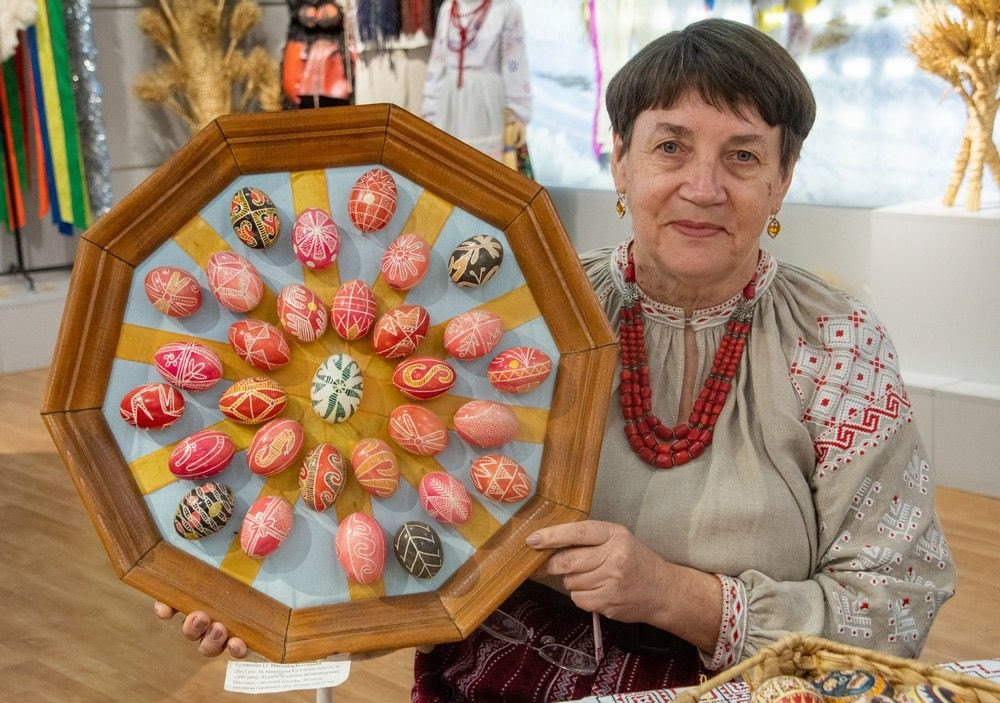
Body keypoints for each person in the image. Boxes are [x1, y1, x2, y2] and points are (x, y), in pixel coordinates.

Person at [157, 17, 956, 701]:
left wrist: (672, 593)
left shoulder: (834, 344)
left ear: (782, 181)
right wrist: (266, 593)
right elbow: (405, 516)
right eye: (671, 146)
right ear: (620, 162)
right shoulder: (528, 309)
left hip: (743, 680)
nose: (704, 186)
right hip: (508, 668)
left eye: (743, 156)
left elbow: (895, 597)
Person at [420, 0, 531, 162]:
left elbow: (514, 62)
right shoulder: (449, 8)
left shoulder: (506, 8)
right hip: (449, 102)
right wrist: (429, 108)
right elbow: (438, 61)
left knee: (484, 166)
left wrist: (517, 111)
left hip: (487, 101)